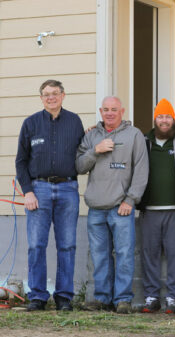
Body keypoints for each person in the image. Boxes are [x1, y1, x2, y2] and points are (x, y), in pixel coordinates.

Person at [15, 79, 84, 311]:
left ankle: (64, 297)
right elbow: (21, 161)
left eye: (55, 93)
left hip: (68, 189)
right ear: (41, 98)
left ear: (63, 95)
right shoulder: (30, 123)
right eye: (46, 94)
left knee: (67, 245)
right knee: (36, 245)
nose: (51, 98)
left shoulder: (75, 122)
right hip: (39, 190)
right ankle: (38, 296)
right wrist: (28, 192)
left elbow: (84, 151)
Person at [76, 96, 148, 314]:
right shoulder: (92, 136)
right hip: (96, 206)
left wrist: (131, 199)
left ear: (122, 111)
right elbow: (79, 166)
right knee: (99, 255)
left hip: (121, 207)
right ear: (100, 111)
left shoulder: (134, 135)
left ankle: (123, 299)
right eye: (105, 109)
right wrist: (95, 150)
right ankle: (102, 298)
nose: (109, 113)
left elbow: (141, 170)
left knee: (124, 254)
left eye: (114, 109)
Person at [138, 99, 175, 314]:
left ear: (173, 119)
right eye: (161, 116)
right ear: (155, 119)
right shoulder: (143, 141)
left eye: (168, 116)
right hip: (149, 209)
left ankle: (173, 297)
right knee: (149, 253)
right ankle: (151, 296)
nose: (164, 120)